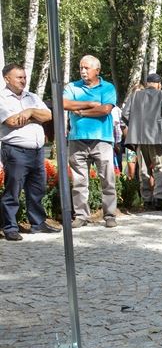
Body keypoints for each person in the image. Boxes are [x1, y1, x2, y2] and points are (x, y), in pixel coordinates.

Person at [0, 63, 55, 240]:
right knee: (13, 191)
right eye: (19, 77)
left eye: (24, 77)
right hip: (15, 151)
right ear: (7, 79)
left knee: (37, 189)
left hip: (37, 151)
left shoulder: (32, 97)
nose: (23, 80)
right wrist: (35, 118)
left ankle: (38, 223)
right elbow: (11, 122)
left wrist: (29, 111)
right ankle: (10, 227)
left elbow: (48, 116)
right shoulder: (2, 98)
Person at [64, 55, 119, 228]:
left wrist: (80, 111)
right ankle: (81, 216)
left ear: (97, 70)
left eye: (86, 68)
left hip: (102, 139)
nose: (83, 71)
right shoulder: (72, 86)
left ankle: (110, 215)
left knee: (107, 179)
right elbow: (64, 104)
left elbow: (105, 109)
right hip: (77, 139)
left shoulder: (107, 87)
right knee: (79, 181)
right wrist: (89, 104)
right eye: (81, 67)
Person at [122, 72, 162, 210]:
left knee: (143, 169)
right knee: (160, 167)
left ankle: (146, 200)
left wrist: (135, 125)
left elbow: (125, 114)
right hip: (158, 136)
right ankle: (158, 199)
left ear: (147, 84)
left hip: (138, 137)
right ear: (159, 84)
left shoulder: (135, 95)